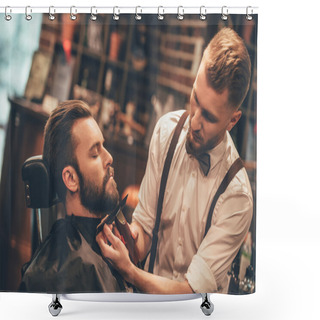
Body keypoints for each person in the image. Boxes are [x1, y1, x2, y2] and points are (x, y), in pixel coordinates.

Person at [96, 27, 253, 294]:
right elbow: (144, 228)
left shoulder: (237, 197)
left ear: (232, 120)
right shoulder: (166, 132)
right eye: (195, 99)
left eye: (210, 117)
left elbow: (191, 292)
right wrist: (128, 241)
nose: (195, 121)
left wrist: (131, 272)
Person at [20, 100, 127, 293]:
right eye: (95, 154)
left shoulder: (104, 243)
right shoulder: (59, 274)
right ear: (71, 179)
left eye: (104, 147)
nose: (109, 157)